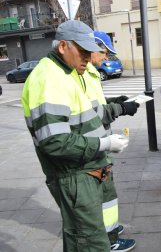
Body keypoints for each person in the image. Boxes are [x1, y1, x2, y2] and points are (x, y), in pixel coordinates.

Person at [21, 20, 133, 251]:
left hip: (85, 169)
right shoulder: (49, 79)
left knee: (86, 239)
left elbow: (84, 113)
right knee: (89, 243)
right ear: (63, 46)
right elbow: (54, 142)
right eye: (82, 51)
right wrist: (105, 143)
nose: (87, 57)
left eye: (89, 52)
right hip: (73, 175)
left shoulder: (69, 71)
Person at [83, 30, 137, 251]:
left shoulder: (90, 72)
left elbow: (97, 102)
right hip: (93, 145)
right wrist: (121, 108)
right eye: (104, 52)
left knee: (107, 194)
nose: (107, 58)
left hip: (98, 142)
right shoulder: (82, 73)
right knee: (105, 196)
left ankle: (111, 230)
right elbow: (90, 112)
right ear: (93, 47)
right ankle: (111, 239)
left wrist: (115, 100)